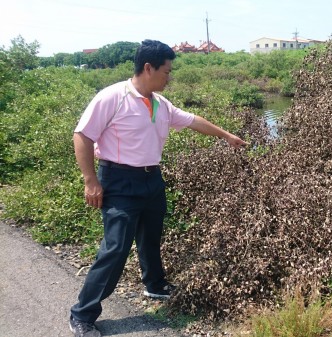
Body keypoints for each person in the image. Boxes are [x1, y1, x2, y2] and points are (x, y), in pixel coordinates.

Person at [69, 39, 247, 337]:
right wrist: (91, 181)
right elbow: (82, 136)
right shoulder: (112, 97)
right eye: (167, 71)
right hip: (119, 180)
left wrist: (227, 136)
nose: (170, 77)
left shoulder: (159, 103)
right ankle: (83, 314)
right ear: (148, 68)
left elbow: (193, 121)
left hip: (152, 179)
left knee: (150, 237)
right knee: (115, 248)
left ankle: (155, 286)